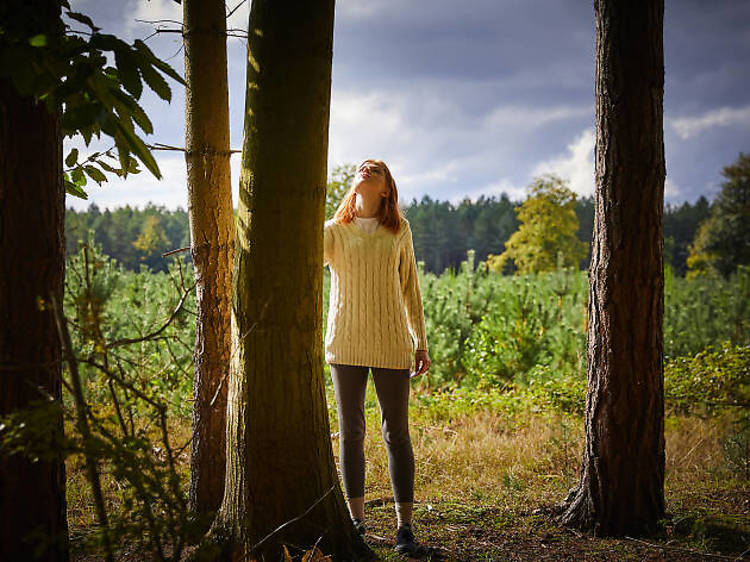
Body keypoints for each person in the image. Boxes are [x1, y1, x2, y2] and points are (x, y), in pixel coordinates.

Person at [323, 158, 431, 556]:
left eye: (377, 170)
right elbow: (300, 260)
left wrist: (420, 341)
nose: (366, 170)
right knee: (351, 432)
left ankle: (405, 528)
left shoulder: (399, 230)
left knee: (395, 433)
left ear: (386, 190)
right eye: (363, 167)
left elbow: (411, 289)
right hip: (345, 344)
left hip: (391, 344)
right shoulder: (334, 232)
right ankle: (356, 522)